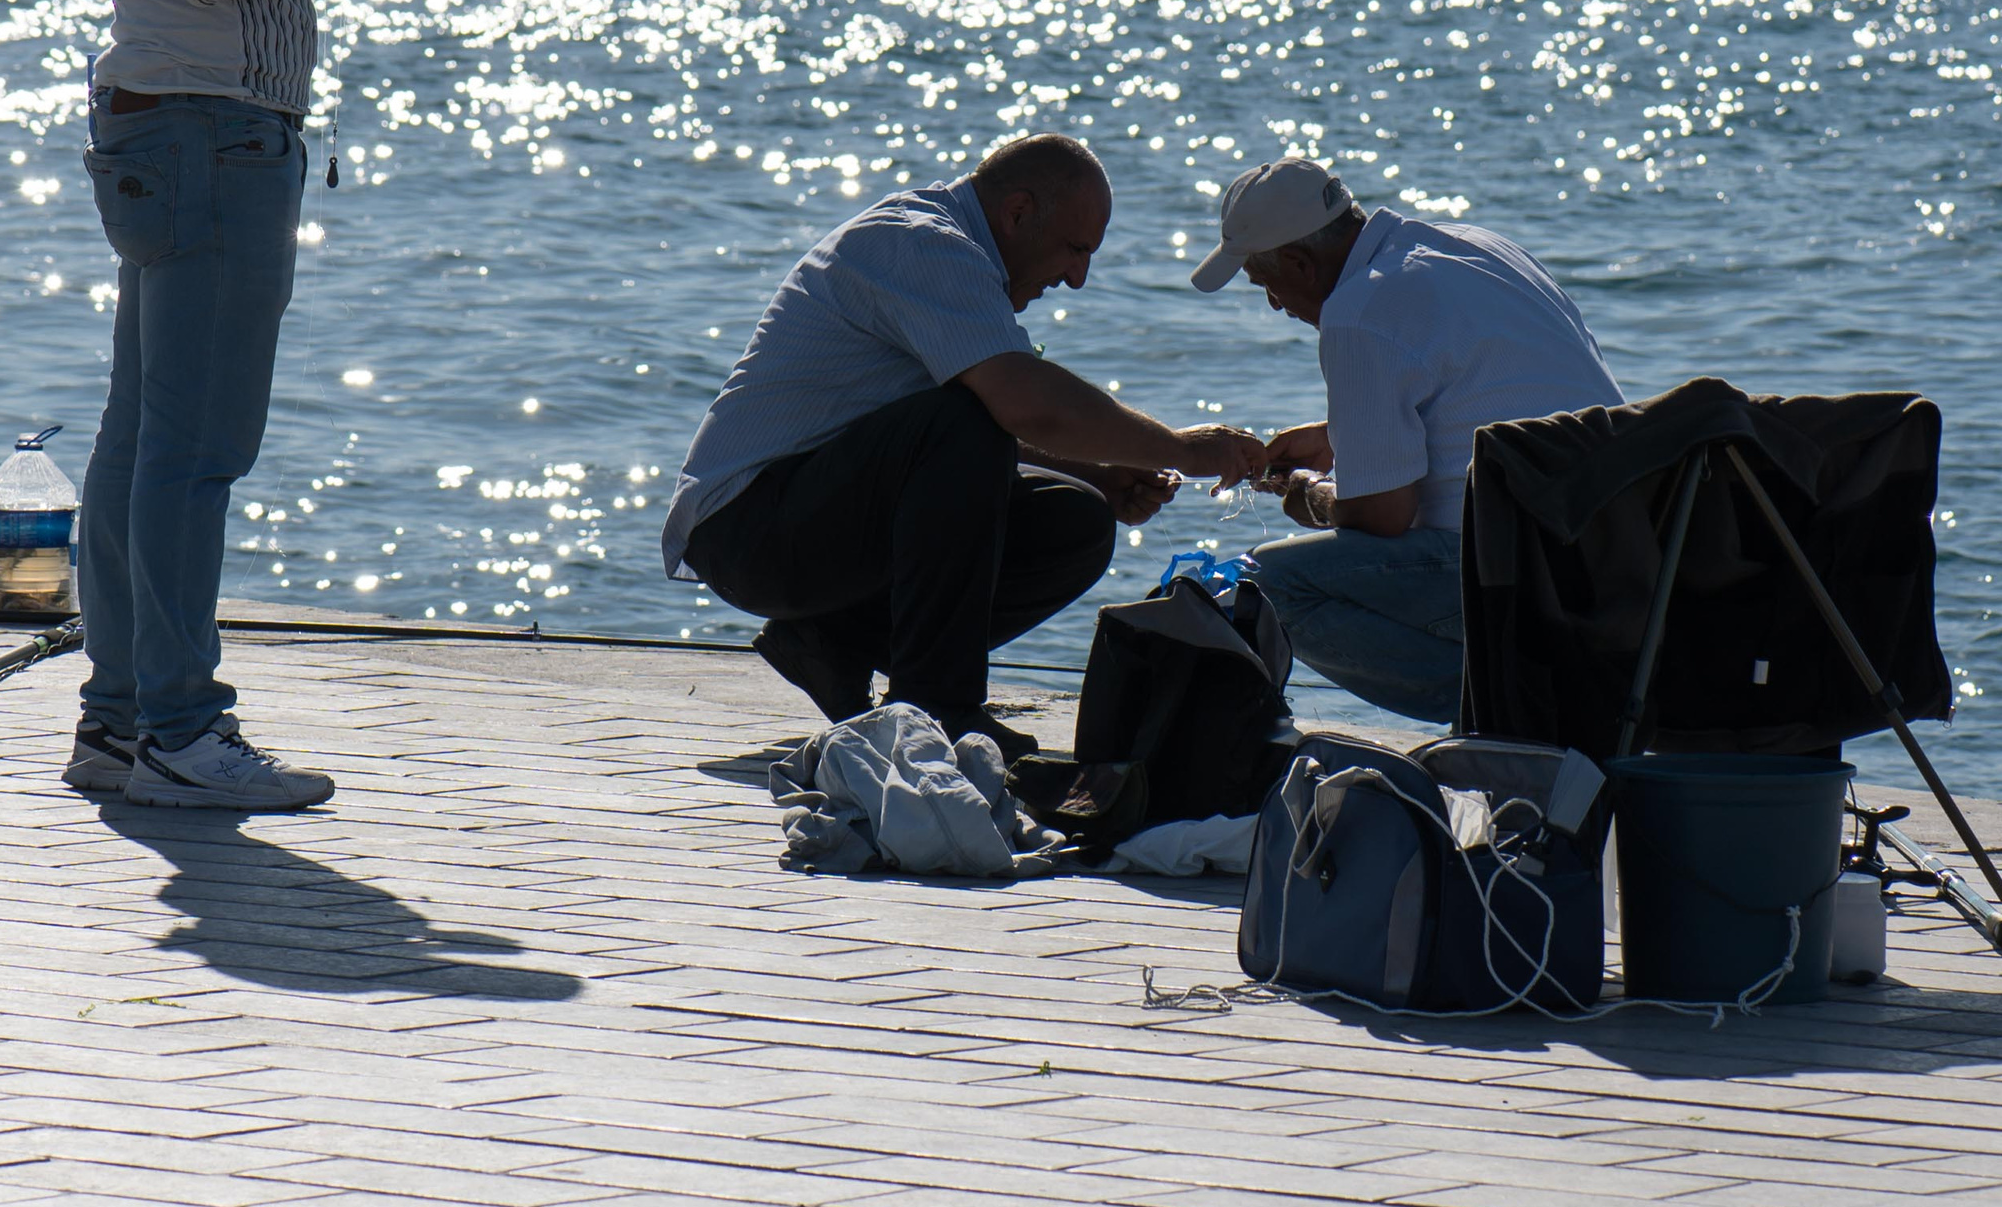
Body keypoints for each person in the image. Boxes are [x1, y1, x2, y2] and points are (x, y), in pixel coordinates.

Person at [37, 0, 402, 810]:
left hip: (170, 127)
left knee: (141, 436)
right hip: (211, 137)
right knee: (193, 454)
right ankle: (181, 733)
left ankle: (119, 718)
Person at [666, 134, 1263, 756]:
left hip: (811, 516)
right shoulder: (924, 245)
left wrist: (1103, 474)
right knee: (971, 415)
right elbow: (1020, 406)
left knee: (1075, 516)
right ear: (1018, 213)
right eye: (1074, 249)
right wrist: (1181, 450)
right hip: (747, 530)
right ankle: (937, 704)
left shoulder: (954, 254)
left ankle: (833, 643)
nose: (1078, 278)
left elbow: (952, 444)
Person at [1191, 156, 1622, 725]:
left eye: (1266, 285)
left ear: (1299, 263)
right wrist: (1339, 438)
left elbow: (1379, 519)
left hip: (1523, 574)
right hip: (1621, 551)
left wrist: (1306, 492)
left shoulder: (1357, 312)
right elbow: (1488, 391)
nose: (1274, 305)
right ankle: (1536, 695)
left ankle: (1514, 708)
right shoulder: (1477, 246)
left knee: (1261, 588)